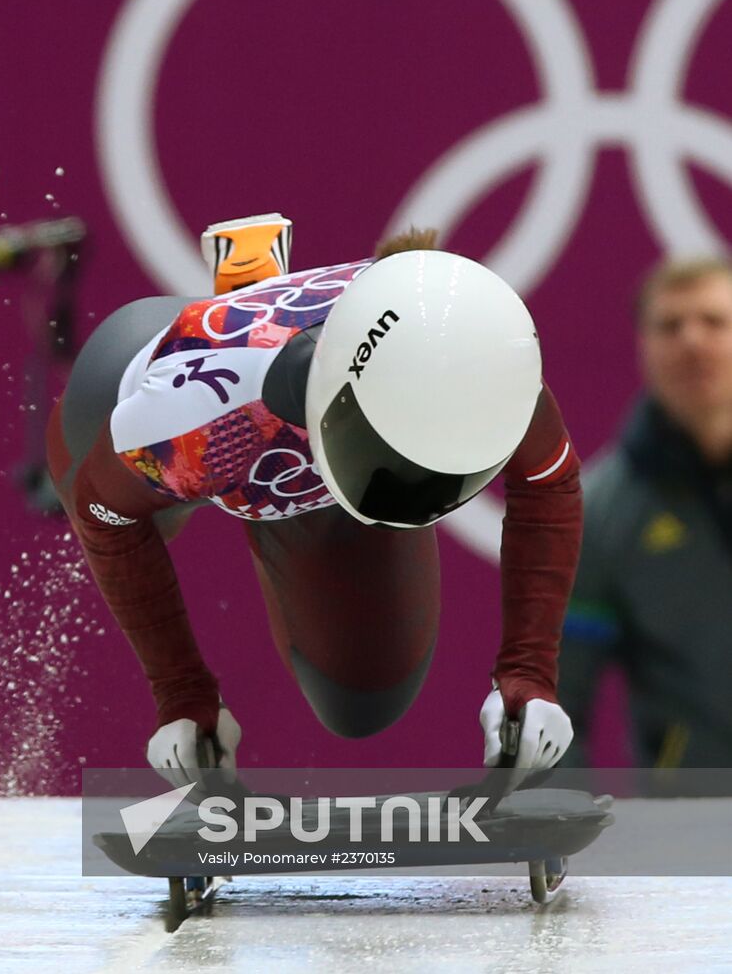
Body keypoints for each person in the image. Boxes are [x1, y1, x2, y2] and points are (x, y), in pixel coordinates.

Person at [45, 214, 583, 787]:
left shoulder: (483, 361)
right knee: (120, 502)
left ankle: (254, 295)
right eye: (396, 464)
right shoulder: (185, 421)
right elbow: (109, 522)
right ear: (339, 407)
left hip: (298, 453)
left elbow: (549, 484)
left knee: (361, 699)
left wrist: (530, 676)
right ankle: (246, 295)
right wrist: (181, 693)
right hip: (183, 400)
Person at [558, 257, 732, 767]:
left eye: (715, 321)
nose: (692, 341)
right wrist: (556, 824)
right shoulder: (602, 512)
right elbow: (557, 702)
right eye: (670, 326)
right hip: (694, 818)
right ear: (644, 346)